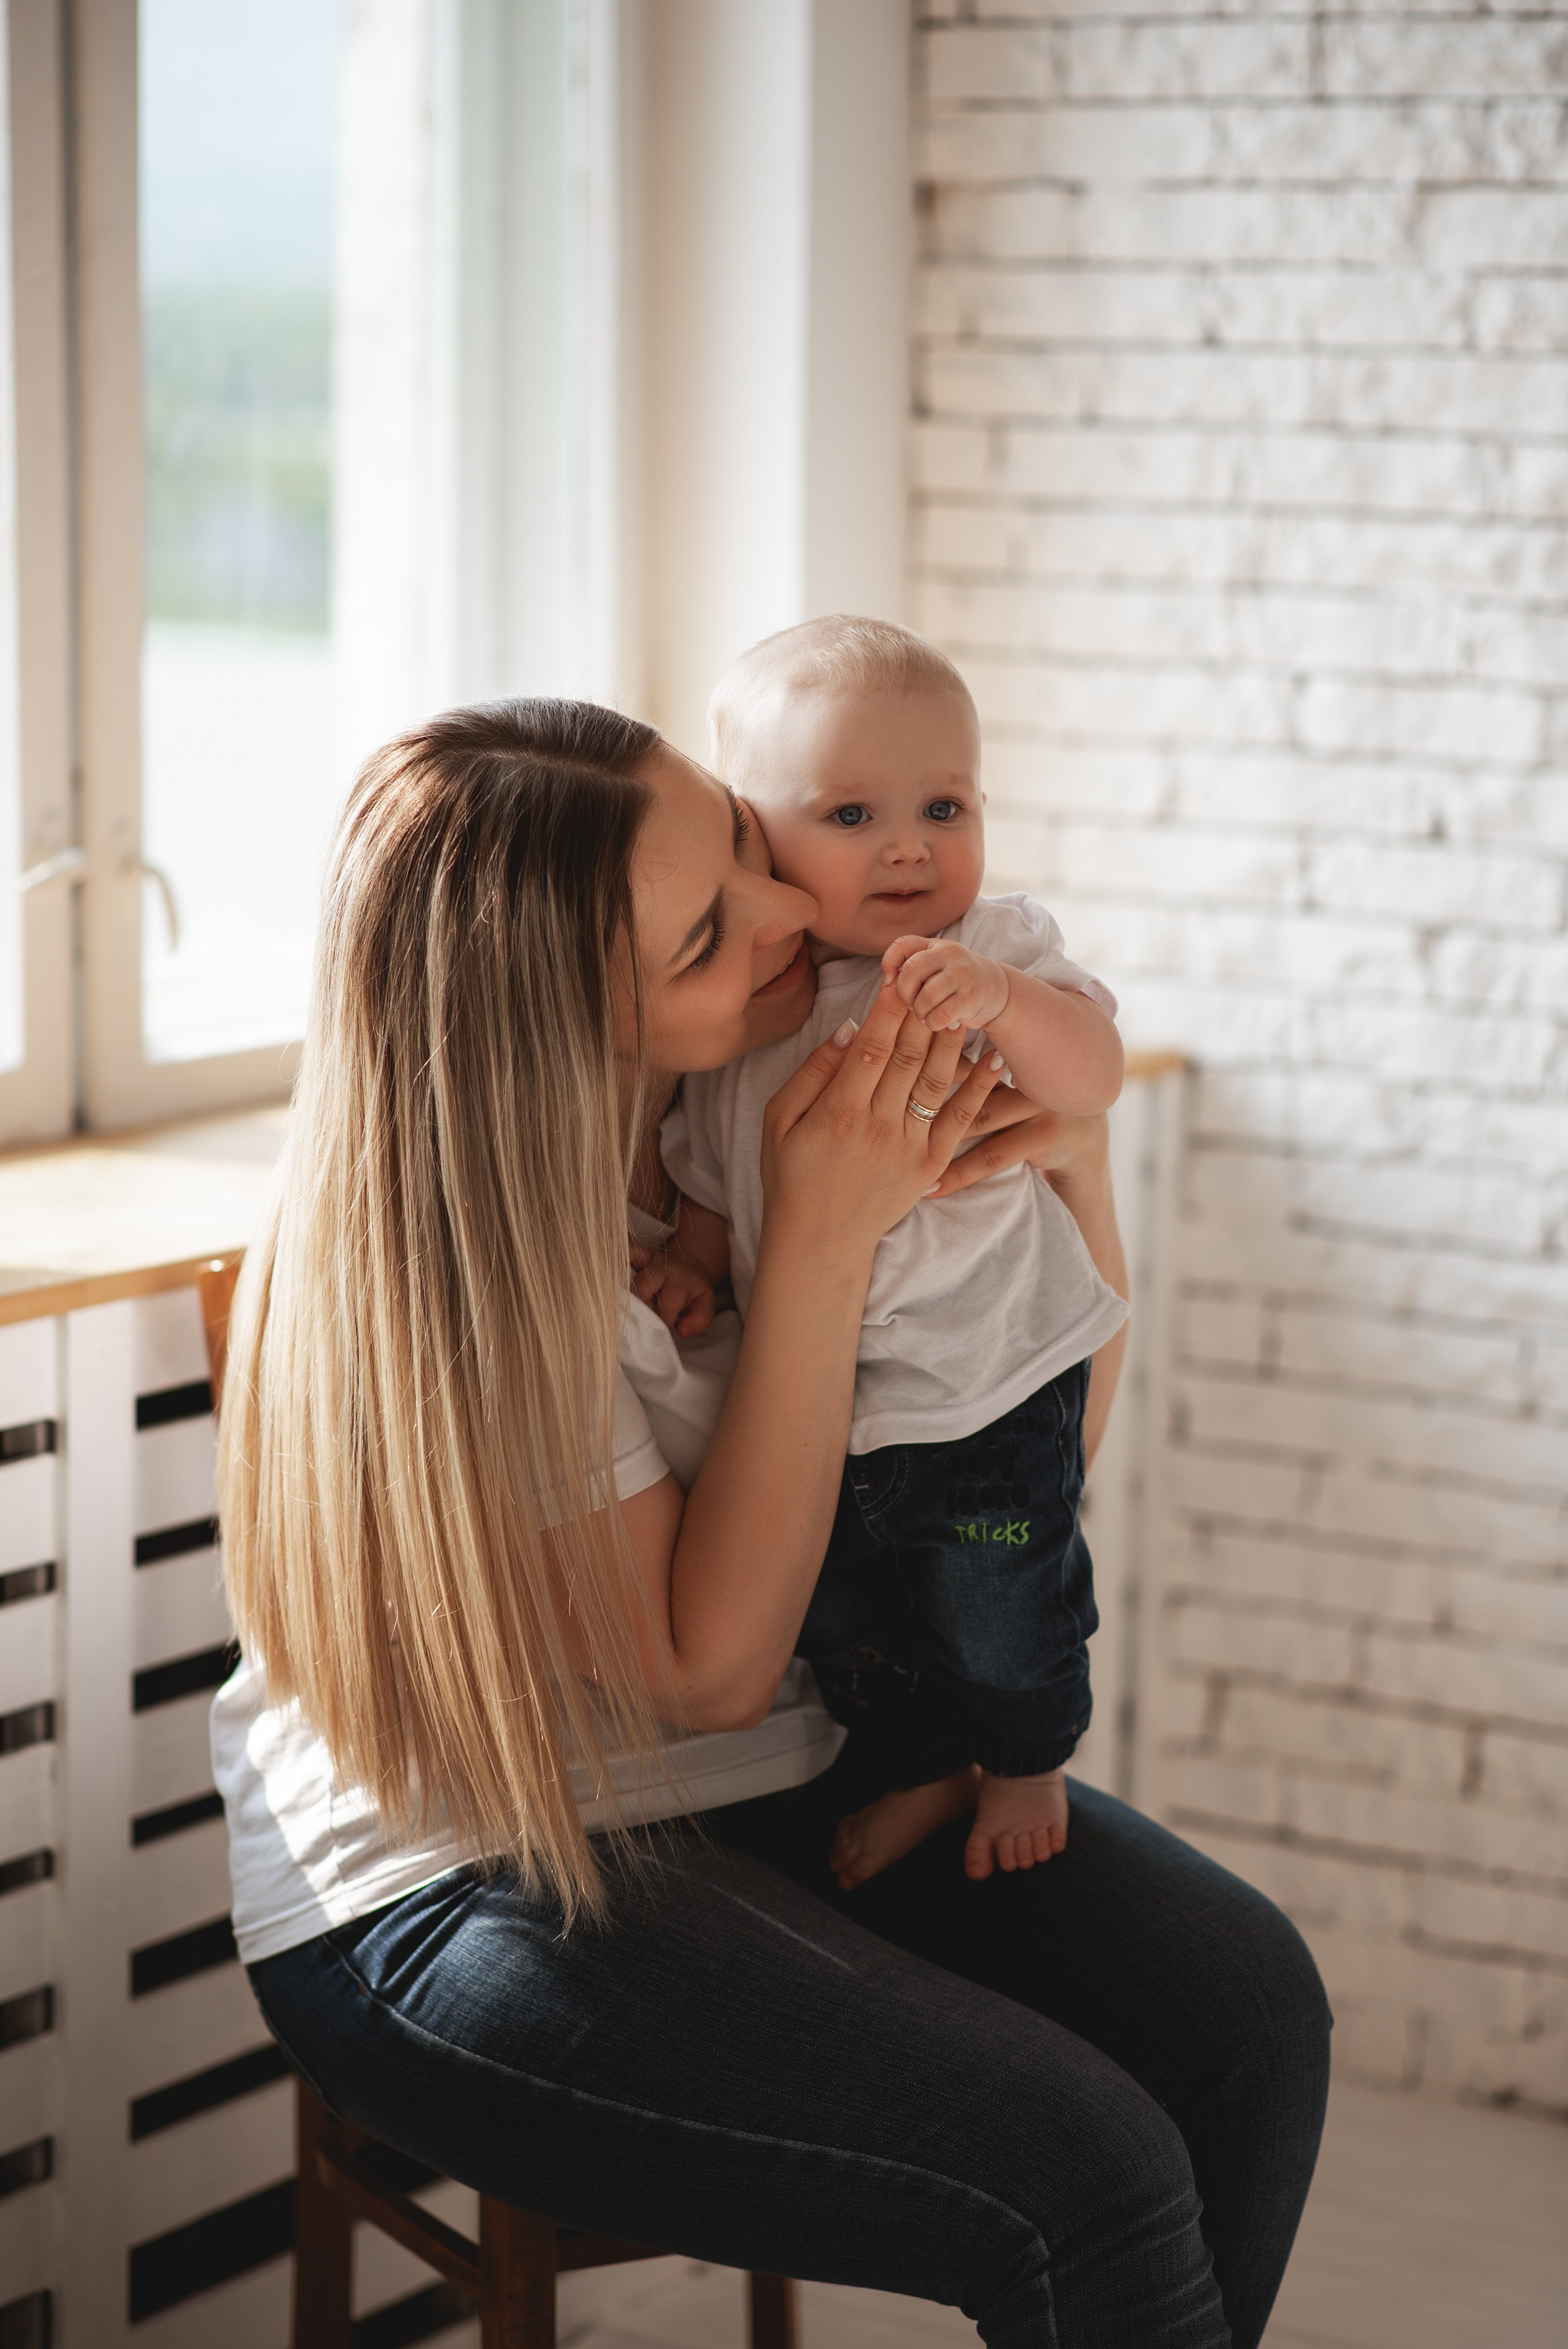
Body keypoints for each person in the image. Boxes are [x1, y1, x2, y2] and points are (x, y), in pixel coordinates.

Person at [214, 698, 1329, 2349]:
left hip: (784, 1785)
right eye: (707, 933)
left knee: (1245, 2006)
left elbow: (1015, 1466)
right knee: (1083, 2175)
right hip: (474, 1878)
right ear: (573, 1019)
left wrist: (1075, 1161)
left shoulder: (738, 1098)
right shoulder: (478, 1276)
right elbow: (707, 1670)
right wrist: (815, 1238)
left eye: (742, 841)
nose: (798, 912)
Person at [649, 615, 1125, 1891]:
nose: (911, 843)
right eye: (852, 814)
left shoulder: (994, 950)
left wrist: (1010, 1009)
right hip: (832, 1420)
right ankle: (921, 1761)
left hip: (991, 1383)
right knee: (852, 1625)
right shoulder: (767, 1011)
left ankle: (1026, 1752)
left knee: (1002, 1603)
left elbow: (1093, 1078)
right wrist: (695, 1258)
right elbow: (711, 1161)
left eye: (945, 804)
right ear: (757, 835)